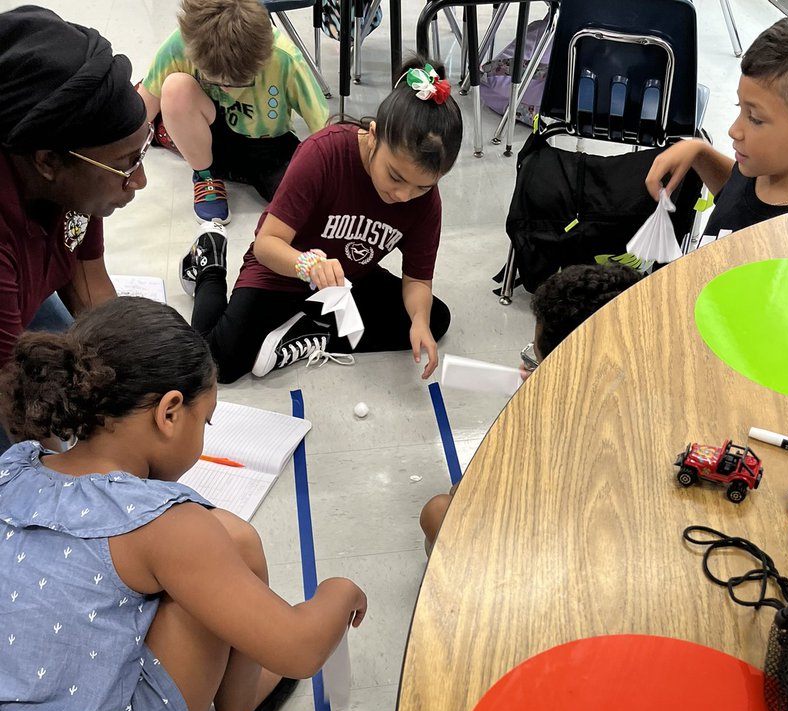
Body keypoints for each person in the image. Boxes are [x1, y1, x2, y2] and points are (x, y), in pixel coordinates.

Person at [0, 298, 366, 711]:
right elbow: (302, 650)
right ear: (170, 413)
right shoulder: (165, 523)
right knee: (231, 544)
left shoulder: (17, 463)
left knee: (211, 544)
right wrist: (340, 589)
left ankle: (229, 704)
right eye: (206, 421)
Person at [181, 57, 462, 384]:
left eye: (423, 186)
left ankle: (310, 330)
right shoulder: (324, 154)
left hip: (345, 281)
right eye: (395, 176)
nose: (404, 195)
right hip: (283, 270)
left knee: (435, 319)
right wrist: (307, 265)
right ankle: (209, 262)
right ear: (373, 135)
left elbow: (417, 280)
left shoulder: (426, 202)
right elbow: (266, 245)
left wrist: (418, 319)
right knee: (217, 363)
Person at [0, 5, 151, 450]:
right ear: (48, 161)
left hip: (17, 291)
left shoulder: (72, 189)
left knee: (95, 364)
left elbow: (90, 287)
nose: (140, 181)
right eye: (127, 164)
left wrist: (138, 384)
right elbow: (16, 400)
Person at [420, 262, 641, 548]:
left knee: (438, 511)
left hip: (560, 548)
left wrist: (539, 405)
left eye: (535, 358)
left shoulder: (562, 430)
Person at [645, 8, 788, 244]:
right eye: (740, 107)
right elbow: (739, 195)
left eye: (756, 119)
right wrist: (700, 153)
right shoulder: (765, 166)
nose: (734, 130)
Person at [137, 0, 329, 224]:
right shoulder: (181, 44)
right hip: (210, 137)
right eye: (214, 80)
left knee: (315, 207)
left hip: (269, 147)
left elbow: (325, 129)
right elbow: (140, 114)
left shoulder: (284, 57)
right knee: (175, 88)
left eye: (239, 83)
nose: (226, 89)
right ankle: (206, 175)